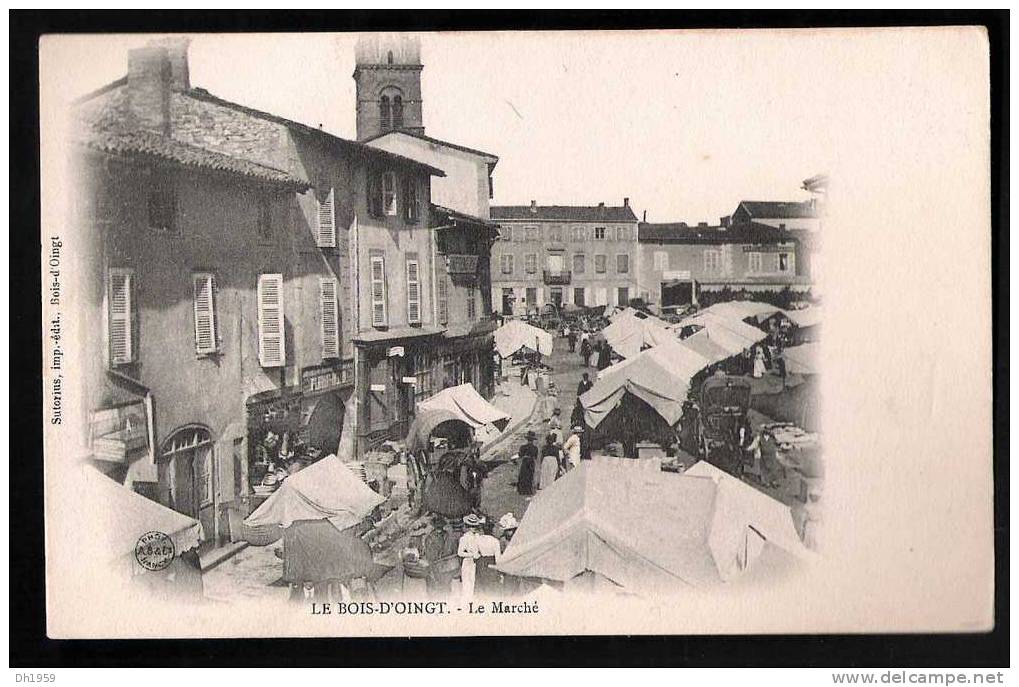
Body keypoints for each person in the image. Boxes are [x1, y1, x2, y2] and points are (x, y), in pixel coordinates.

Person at [421, 516, 459, 597]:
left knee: (440, 589)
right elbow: (454, 551)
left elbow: (429, 555)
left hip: (439, 567)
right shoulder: (448, 536)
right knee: (441, 589)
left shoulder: (430, 538)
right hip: (442, 567)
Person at [457, 513, 486, 602]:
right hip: (468, 562)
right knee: (467, 585)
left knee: (474, 584)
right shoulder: (464, 538)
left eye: (474, 526)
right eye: (471, 526)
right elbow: (460, 553)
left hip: (476, 562)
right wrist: (471, 554)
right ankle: (466, 603)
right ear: (467, 526)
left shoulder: (477, 537)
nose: (473, 528)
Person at [516, 431, 540, 496]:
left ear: (527, 439)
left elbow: (520, 455)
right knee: (530, 475)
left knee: (523, 474)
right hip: (531, 461)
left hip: (525, 461)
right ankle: (528, 490)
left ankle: (522, 490)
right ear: (533, 440)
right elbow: (535, 456)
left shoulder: (523, 447)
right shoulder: (535, 448)